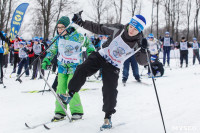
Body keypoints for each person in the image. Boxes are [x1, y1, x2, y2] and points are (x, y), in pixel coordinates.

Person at [60, 13, 148, 129]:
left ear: (140, 31)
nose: (131, 30)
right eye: (131, 26)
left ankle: (108, 117)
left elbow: (142, 62)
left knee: (110, 90)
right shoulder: (119, 29)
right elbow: (99, 28)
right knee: (82, 69)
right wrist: (81, 22)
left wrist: (143, 50)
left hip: (114, 65)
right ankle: (70, 94)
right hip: (102, 55)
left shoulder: (139, 43)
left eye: (135, 29)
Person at [41, 16, 95, 121]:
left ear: (68, 27)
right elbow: (52, 51)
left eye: (62, 28)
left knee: (72, 88)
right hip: (62, 68)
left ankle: (77, 111)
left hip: (75, 67)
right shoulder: (57, 38)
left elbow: (89, 44)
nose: (60, 30)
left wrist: (91, 53)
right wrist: (47, 60)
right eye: (58, 28)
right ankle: (60, 111)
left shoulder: (78, 37)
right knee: (60, 88)